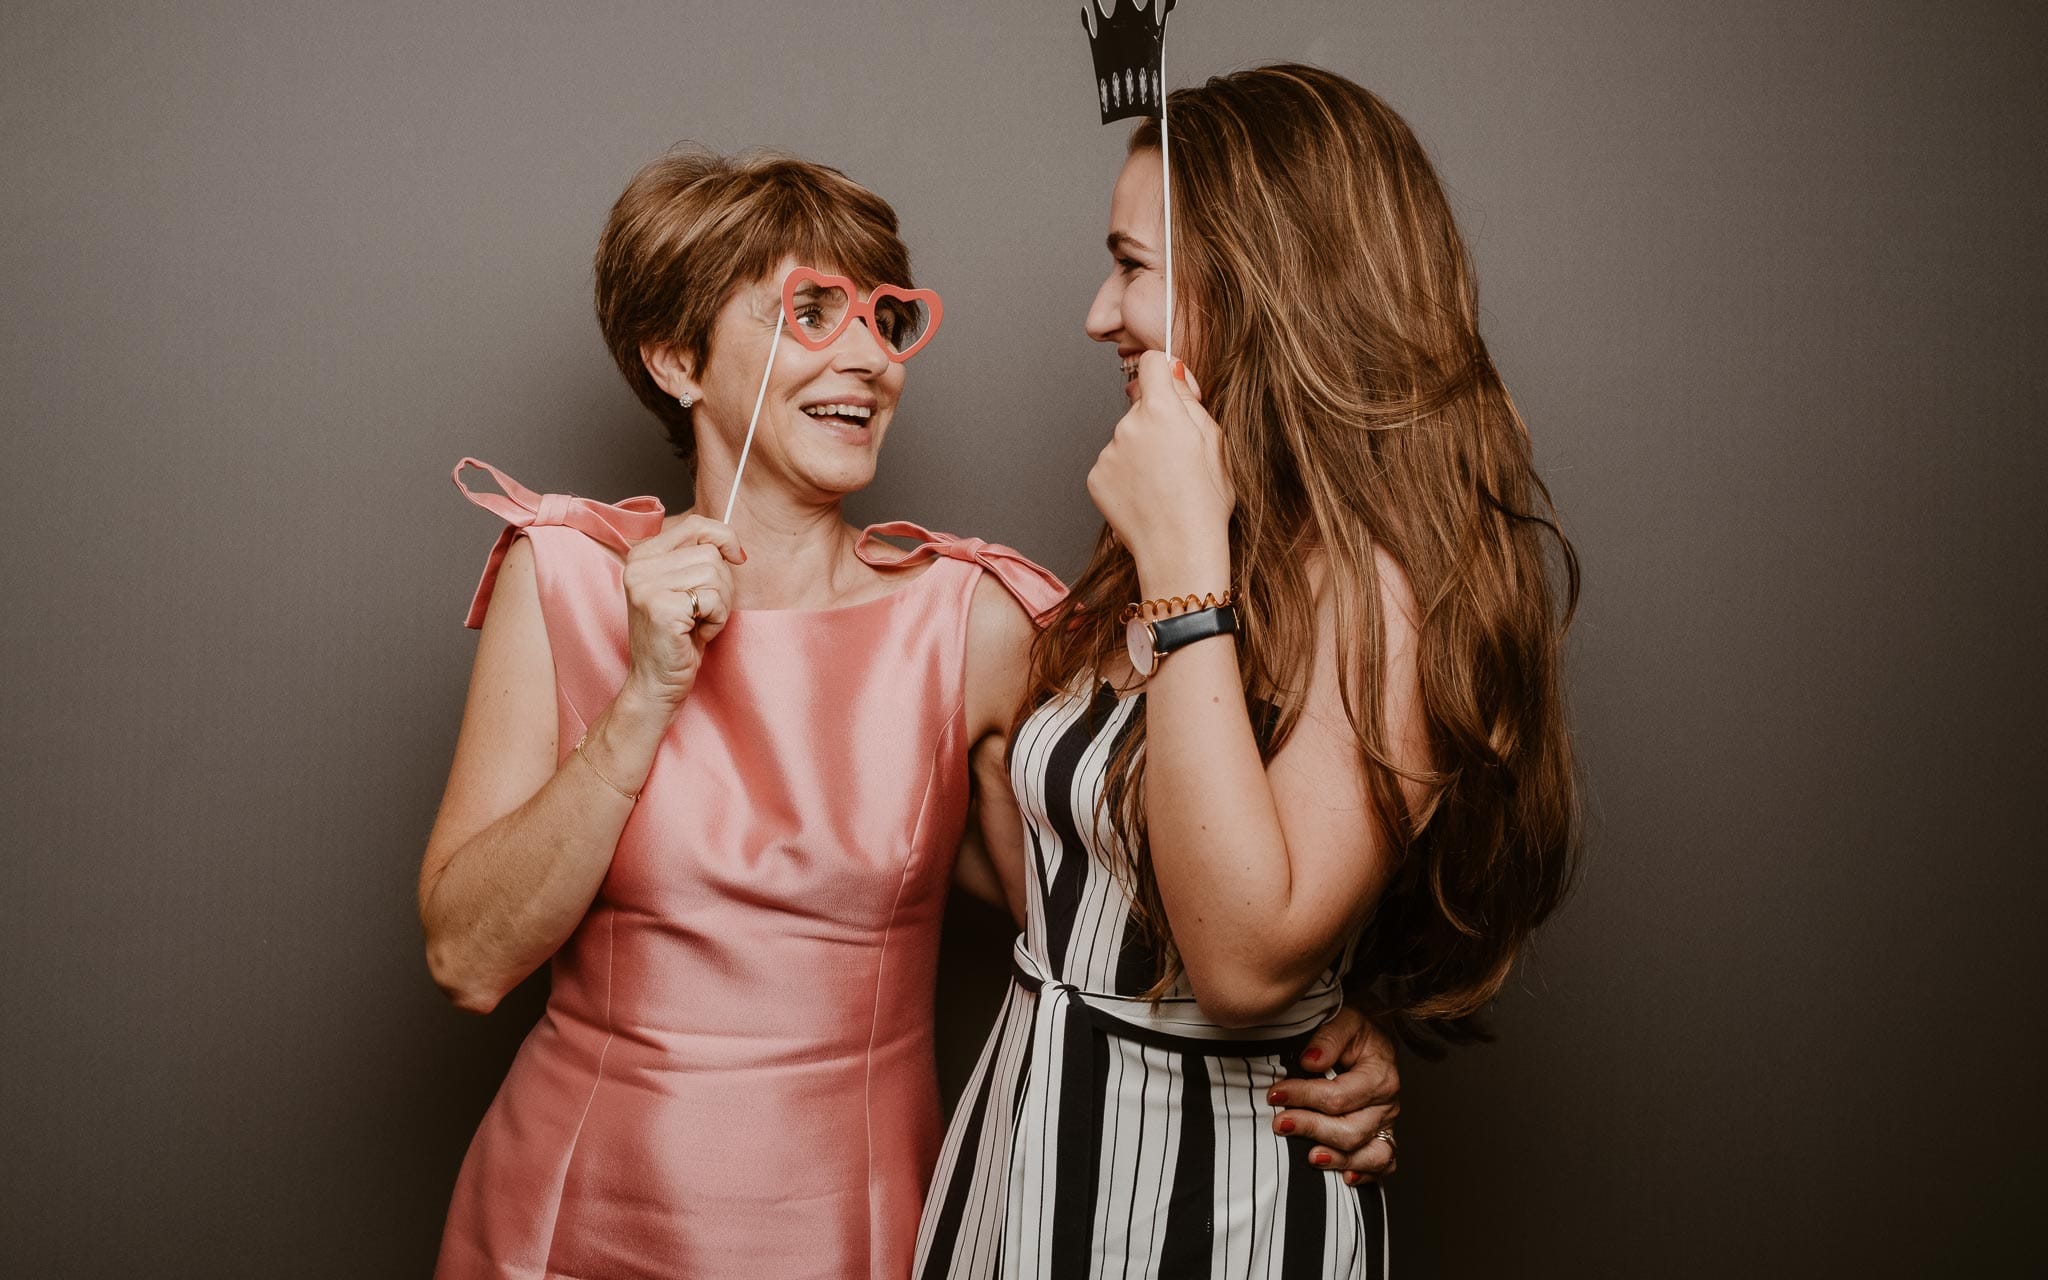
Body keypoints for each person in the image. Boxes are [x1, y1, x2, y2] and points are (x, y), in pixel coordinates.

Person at [419, 147, 1401, 1280]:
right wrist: (642, 695)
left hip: (852, 1229)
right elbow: (466, 957)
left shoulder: (971, 620)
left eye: (886, 319)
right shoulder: (566, 579)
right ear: (676, 357)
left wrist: (1329, 1034)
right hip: (564, 1214)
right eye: (811, 311)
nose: (868, 357)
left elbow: (1144, 902)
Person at [913, 65, 1581, 1278]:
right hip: (1023, 1144)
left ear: (1263, 284)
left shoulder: (1389, 582)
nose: (1097, 313)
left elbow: (1237, 957)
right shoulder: (1213, 516)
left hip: (1204, 1210)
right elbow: (1087, 868)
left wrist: (1179, 568)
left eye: (1131, 264)